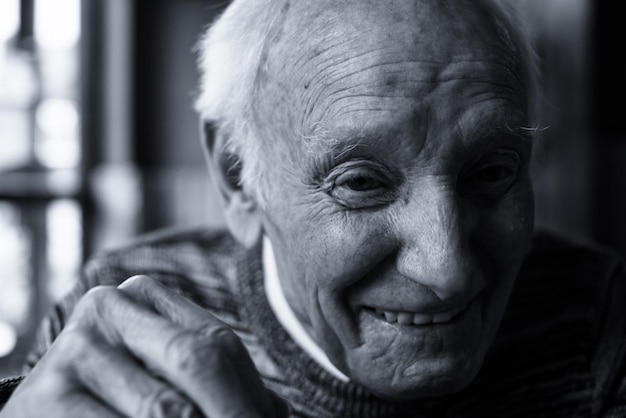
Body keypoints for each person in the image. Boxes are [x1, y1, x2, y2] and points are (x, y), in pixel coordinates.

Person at [1, 0, 625, 416]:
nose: (449, 270)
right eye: (361, 183)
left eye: (491, 173)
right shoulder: (122, 316)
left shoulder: (599, 315)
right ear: (238, 175)